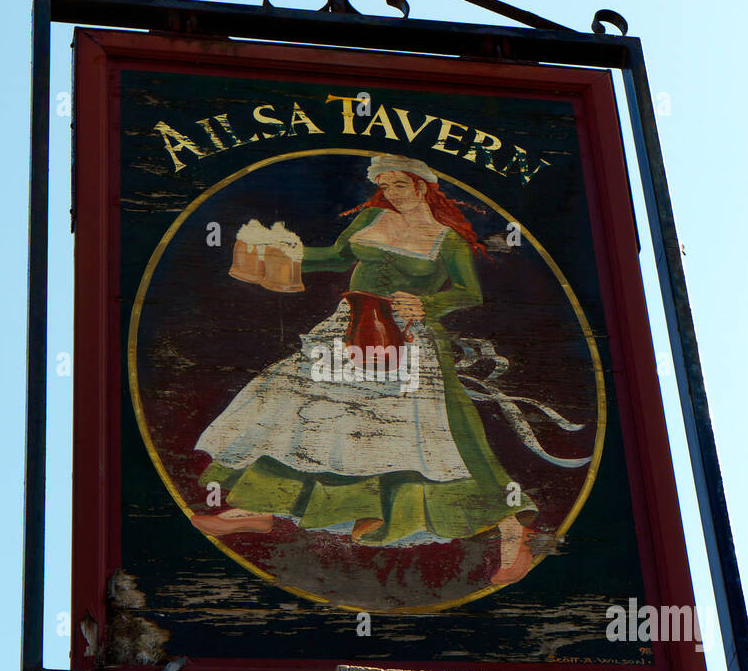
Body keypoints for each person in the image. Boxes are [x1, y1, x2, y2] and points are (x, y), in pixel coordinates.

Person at [191, 154, 538, 586]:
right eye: (385, 186)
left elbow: (469, 293)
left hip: (407, 337)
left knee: (431, 437)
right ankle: (262, 507)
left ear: (422, 186)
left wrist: (427, 303)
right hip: (347, 325)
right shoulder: (371, 219)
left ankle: (511, 531)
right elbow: (336, 257)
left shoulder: (447, 239)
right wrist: (283, 257)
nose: (391, 194)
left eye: (399, 186)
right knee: (300, 410)